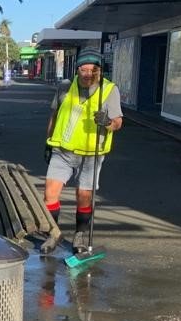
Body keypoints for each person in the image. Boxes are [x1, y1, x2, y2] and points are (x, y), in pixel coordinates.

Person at [40, 49, 123, 254]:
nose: (87, 74)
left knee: (84, 196)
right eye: (83, 69)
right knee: (50, 194)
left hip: (91, 153)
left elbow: (118, 122)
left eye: (92, 70)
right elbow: (55, 115)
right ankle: (54, 233)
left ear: (100, 71)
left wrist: (107, 122)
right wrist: (48, 142)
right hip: (62, 150)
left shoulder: (109, 90)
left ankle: (79, 235)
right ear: (77, 69)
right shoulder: (65, 87)